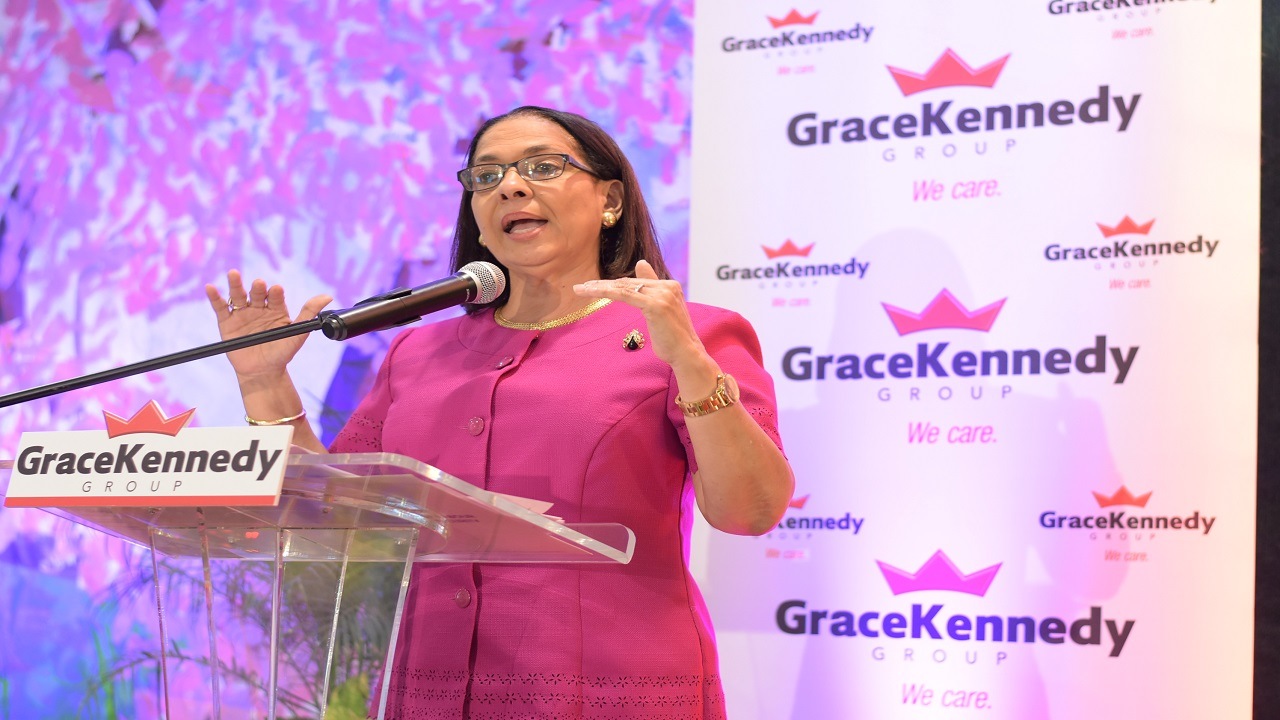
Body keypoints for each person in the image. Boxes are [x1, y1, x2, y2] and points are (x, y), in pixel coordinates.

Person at [205, 106, 794, 719]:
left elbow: (749, 510)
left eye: (542, 166)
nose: (510, 186)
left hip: (607, 692)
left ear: (610, 200)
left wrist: (692, 364)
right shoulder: (417, 351)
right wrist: (266, 380)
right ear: (479, 221)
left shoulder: (691, 334)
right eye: (486, 177)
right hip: (425, 691)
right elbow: (335, 514)